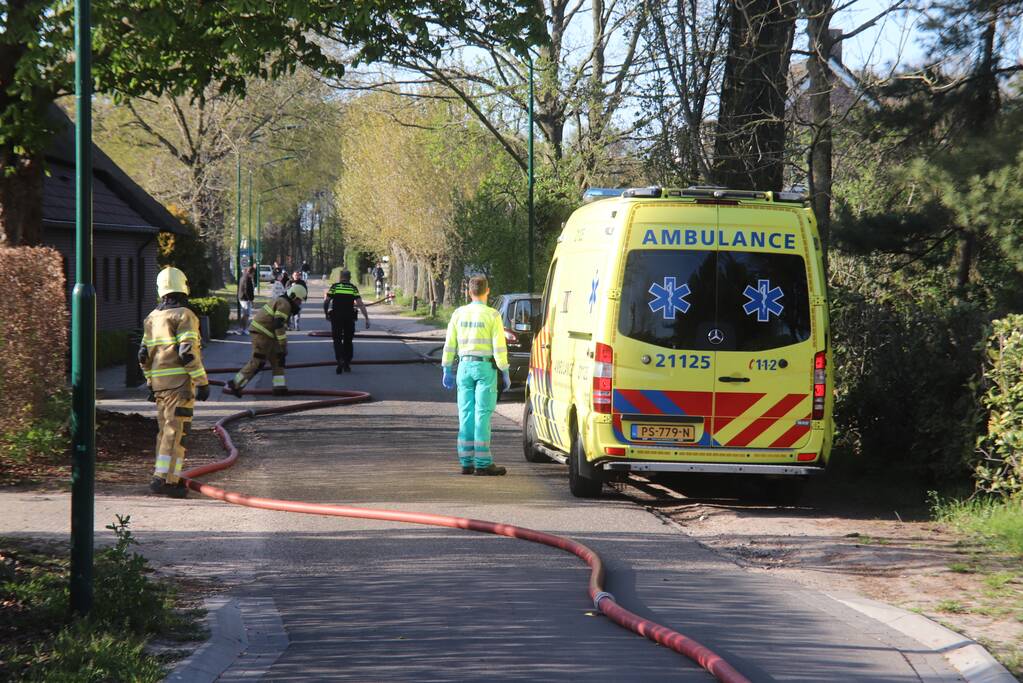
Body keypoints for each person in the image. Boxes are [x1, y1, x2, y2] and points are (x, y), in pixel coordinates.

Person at [139, 266, 210, 498]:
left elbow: (143, 355)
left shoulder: (152, 318)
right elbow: (187, 352)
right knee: (176, 432)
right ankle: (166, 481)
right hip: (180, 386)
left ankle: (162, 475)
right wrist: (201, 382)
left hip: (160, 388)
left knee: (164, 432)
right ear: (183, 287)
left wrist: (150, 383)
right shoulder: (184, 316)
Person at [441, 275, 511, 476]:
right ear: (487, 291)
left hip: (464, 367)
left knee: (465, 414)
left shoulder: (458, 314)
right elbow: (499, 347)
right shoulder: (492, 315)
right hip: (484, 368)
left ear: (469, 292)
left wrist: (447, 369)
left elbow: (449, 344)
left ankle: (466, 461)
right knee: (482, 414)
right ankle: (483, 462)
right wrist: (504, 371)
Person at [226, 283, 307, 397]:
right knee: (258, 361)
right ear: (294, 297)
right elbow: (278, 325)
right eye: (299, 300)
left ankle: (279, 388)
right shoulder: (284, 304)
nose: (300, 303)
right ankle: (236, 384)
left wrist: (281, 350)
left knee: (278, 359)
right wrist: (283, 346)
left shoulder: (284, 302)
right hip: (262, 334)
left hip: (269, 335)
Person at [324, 269, 369, 373]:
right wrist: (366, 318)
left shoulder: (335, 287)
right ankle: (347, 363)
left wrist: (326, 313)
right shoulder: (353, 288)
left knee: (337, 339)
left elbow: (327, 301)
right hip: (349, 318)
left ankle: (339, 359)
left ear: (340, 277)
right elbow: (360, 304)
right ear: (350, 278)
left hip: (336, 317)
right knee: (348, 340)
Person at [237, 265, 256, 332]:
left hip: (243, 298)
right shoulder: (247, 278)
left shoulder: (244, 277)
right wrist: (250, 300)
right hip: (245, 299)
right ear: (250, 272)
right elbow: (247, 290)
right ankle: (244, 328)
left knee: (245, 314)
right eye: (253, 273)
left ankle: (241, 328)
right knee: (246, 314)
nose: (254, 274)